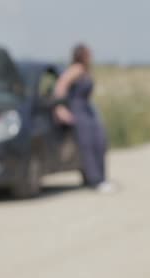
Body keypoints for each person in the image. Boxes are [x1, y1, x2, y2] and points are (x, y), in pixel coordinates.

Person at [53, 44, 114, 193]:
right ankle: (95, 180)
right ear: (82, 56)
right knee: (88, 145)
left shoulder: (86, 71)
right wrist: (60, 108)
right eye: (89, 54)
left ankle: (100, 177)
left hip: (87, 109)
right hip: (78, 110)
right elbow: (60, 86)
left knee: (99, 141)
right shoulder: (76, 69)